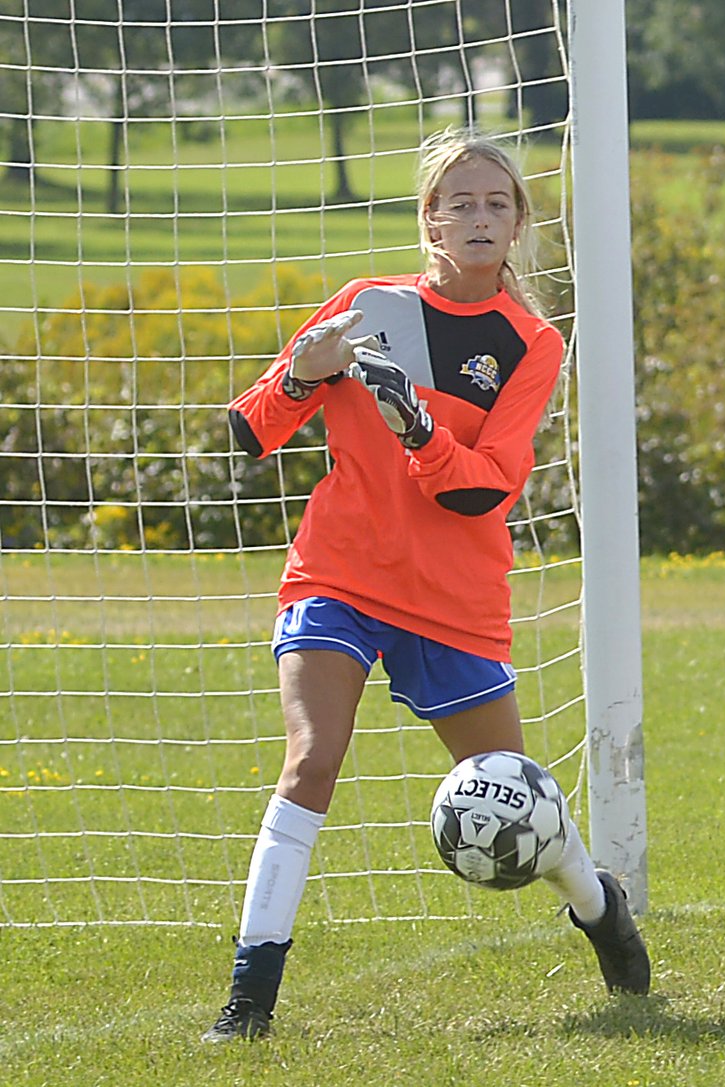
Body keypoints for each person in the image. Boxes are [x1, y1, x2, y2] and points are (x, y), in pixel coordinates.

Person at [203, 128, 650, 1041]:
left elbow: (486, 483)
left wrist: (415, 427)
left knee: (517, 800)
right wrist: (303, 372)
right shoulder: (366, 304)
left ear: (521, 224)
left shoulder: (531, 342)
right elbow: (249, 431)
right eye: (461, 203)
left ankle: (597, 905)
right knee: (310, 759)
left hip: (456, 603)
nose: (480, 217)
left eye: (497, 204)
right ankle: (248, 1001)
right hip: (338, 576)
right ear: (429, 222)